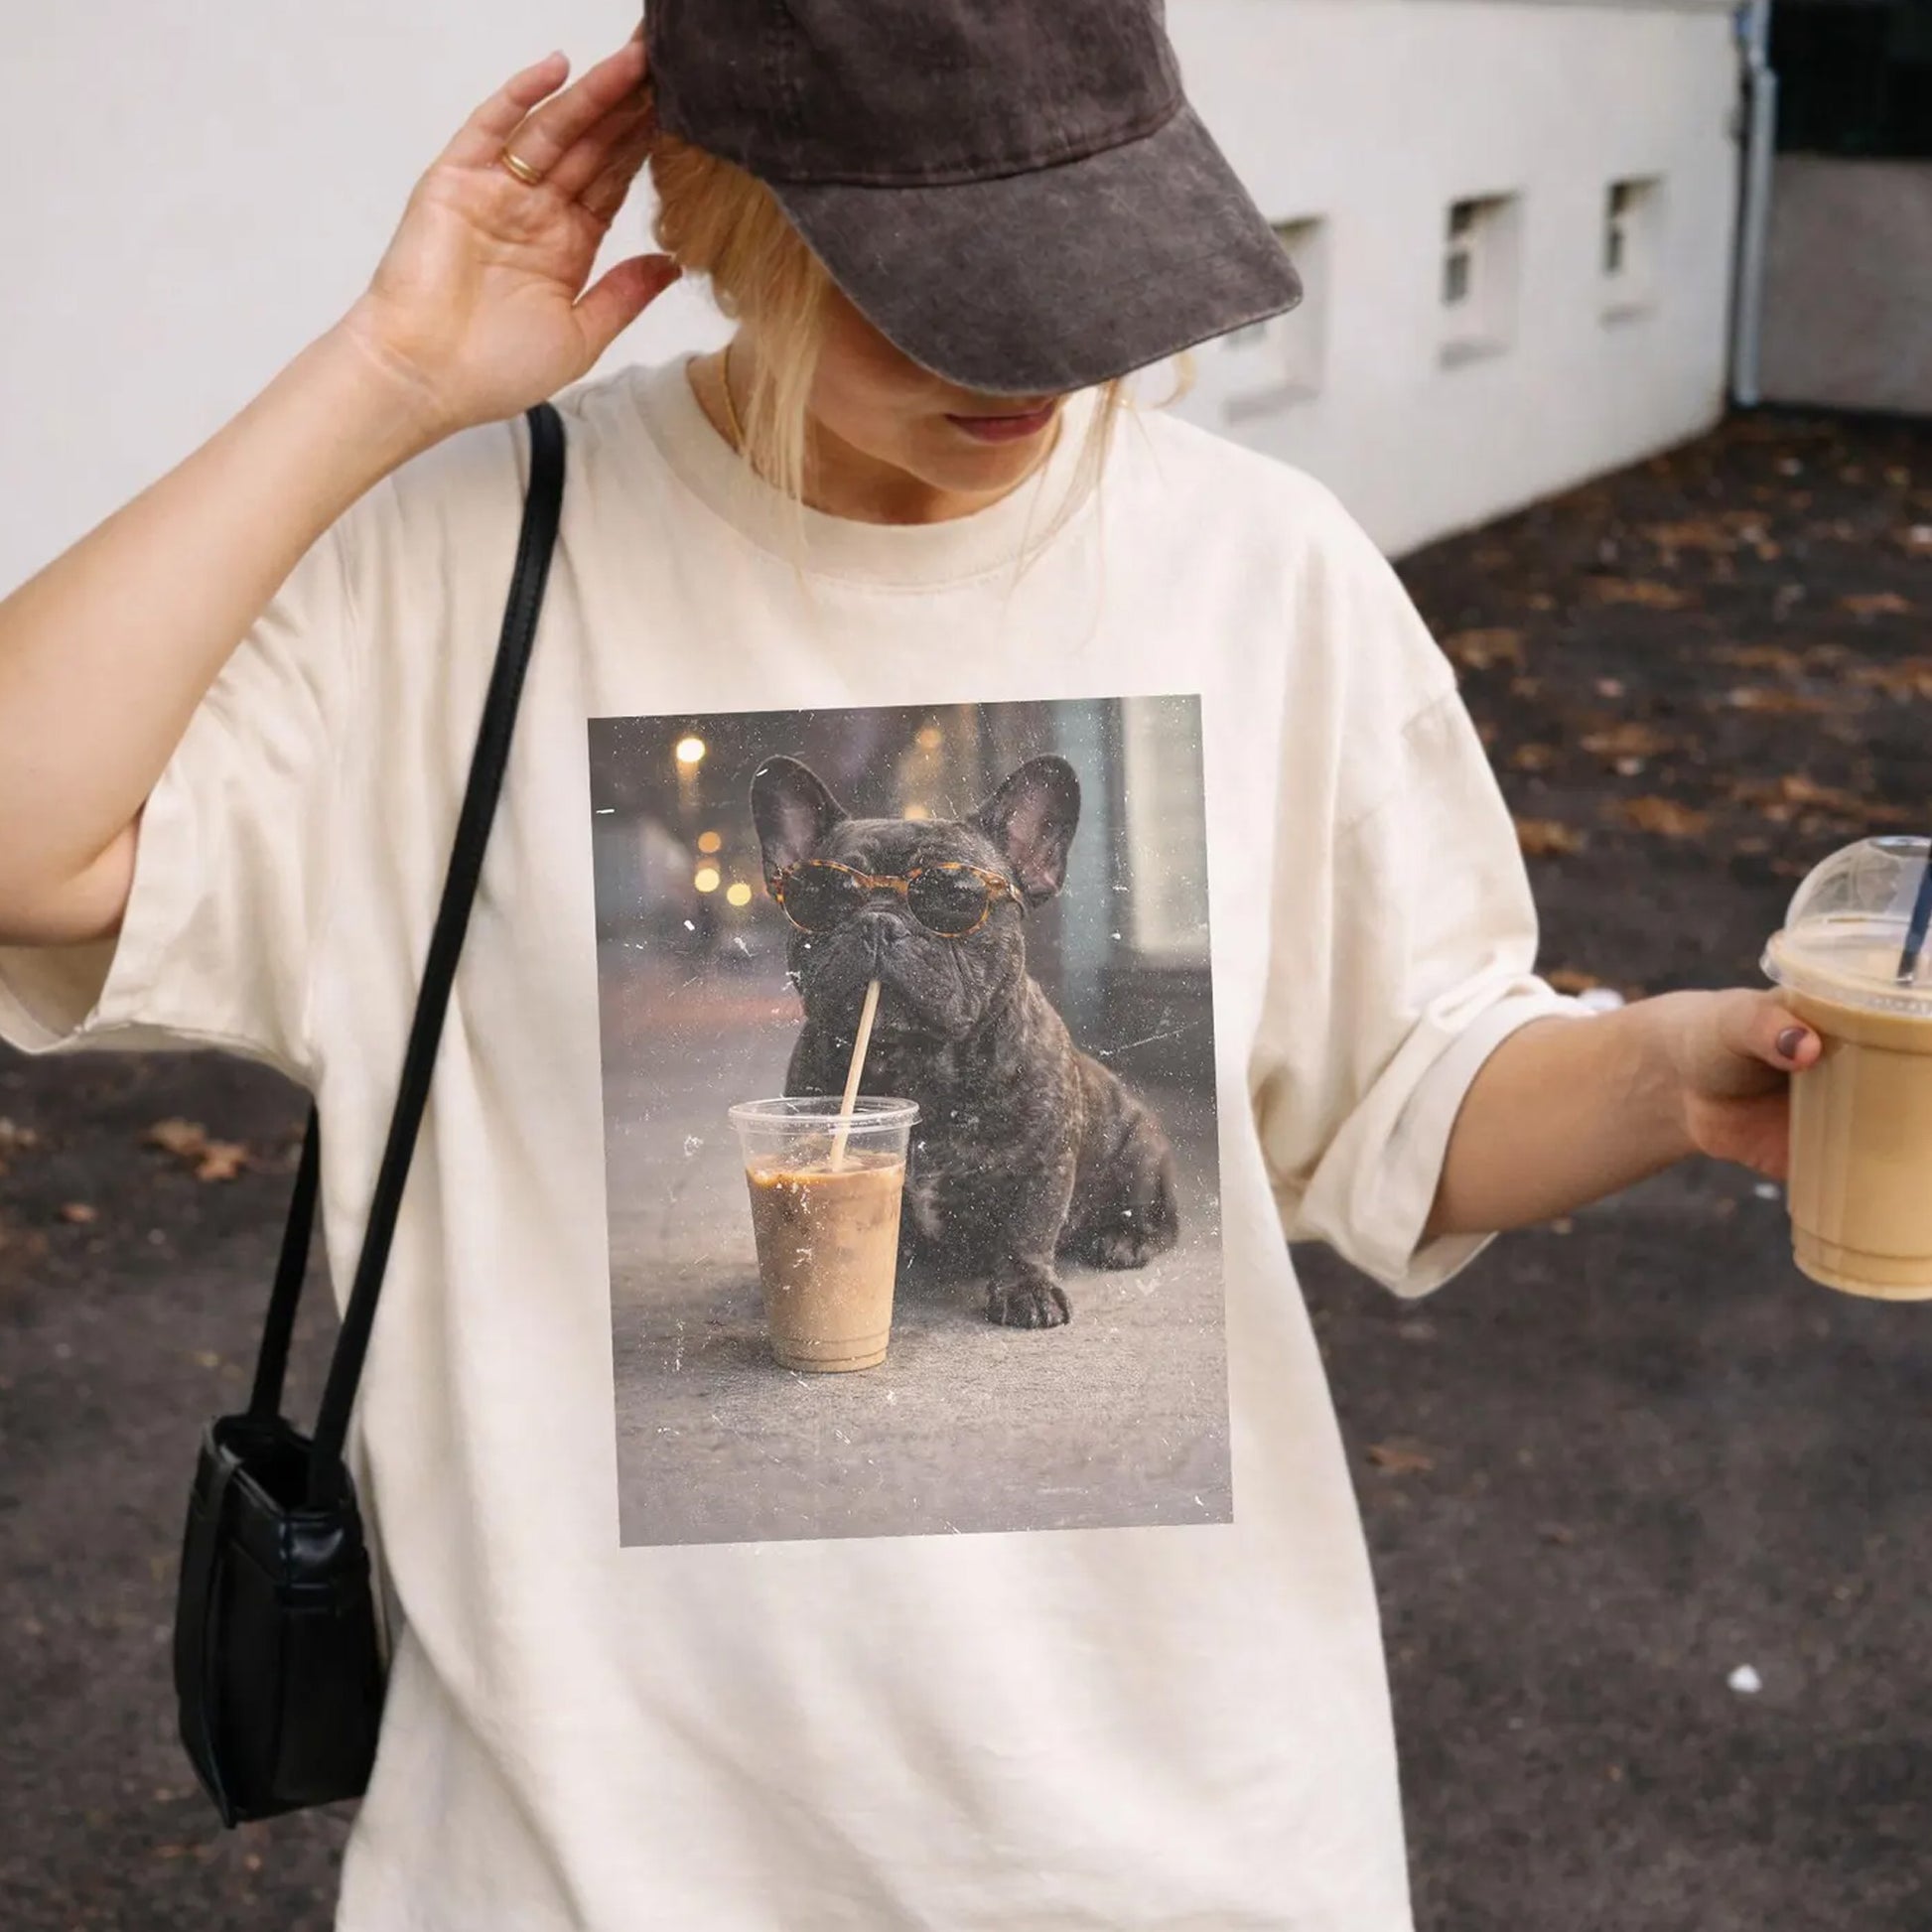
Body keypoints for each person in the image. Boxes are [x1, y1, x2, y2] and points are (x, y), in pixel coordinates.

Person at [0, 4, 1822, 1927]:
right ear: (717, 213)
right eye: (943, 280)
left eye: (1087, 256)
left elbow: (1413, 1085)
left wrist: (1666, 1073)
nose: (1034, 354)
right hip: (597, 1860)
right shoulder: (463, 566)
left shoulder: (1265, 566)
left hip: (1179, 1847)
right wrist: (380, 374)